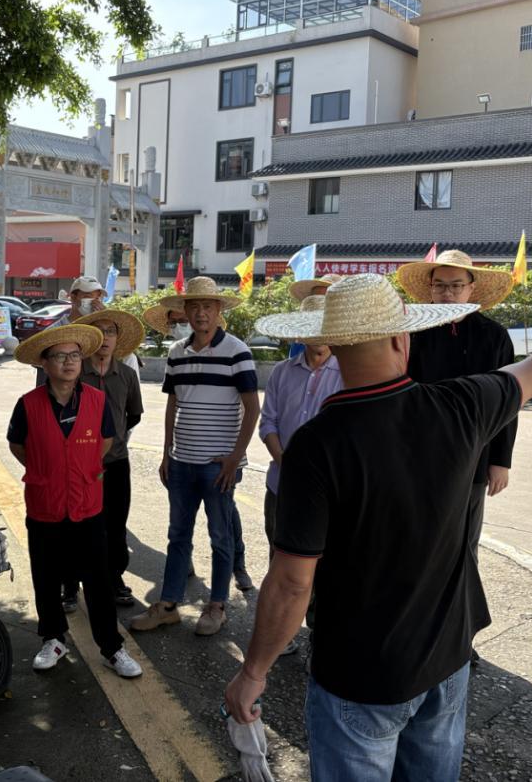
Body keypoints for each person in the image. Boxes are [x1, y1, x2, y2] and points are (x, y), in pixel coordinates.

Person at [223, 274, 532, 781]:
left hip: (360, 675)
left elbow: (293, 583)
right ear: (401, 340)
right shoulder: (461, 405)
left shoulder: (314, 447)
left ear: (334, 344)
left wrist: (253, 672)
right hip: (446, 662)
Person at [8, 324, 143, 679]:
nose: (68, 363)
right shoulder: (28, 404)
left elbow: (105, 440)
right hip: (45, 503)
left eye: (74, 356)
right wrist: (47, 468)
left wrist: (79, 467)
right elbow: (17, 445)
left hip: (87, 503)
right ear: (45, 363)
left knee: (98, 579)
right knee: (46, 575)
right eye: (59, 356)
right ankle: (53, 639)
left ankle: (111, 647)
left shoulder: (96, 400)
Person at [130, 277, 259, 638]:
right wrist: (166, 452)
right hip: (182, 462)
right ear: (185, 311)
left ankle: (217, 606)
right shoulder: (176, 352)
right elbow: (173, 404)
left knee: (220, 536)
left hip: (219, 466)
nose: (201, 313)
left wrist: (236, 457)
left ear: (218, 311)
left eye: (208, 306)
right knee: (178, 535)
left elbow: (252, 408)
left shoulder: (237, 351)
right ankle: (168, 606)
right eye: (195, 307)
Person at [398, 250, 518, 561]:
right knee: (417, 534)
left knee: (465, 539)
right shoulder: (412, 333)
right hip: (419, 449)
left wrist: (500, 460)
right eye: (439, 285)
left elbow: (508, 400)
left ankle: (465, 591)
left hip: (475, 449)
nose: (447, 293)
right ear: (430, 288)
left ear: (471, 288)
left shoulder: (494, 336)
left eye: (456, 285)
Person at [254, 293, 343, 653]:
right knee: (281, 558)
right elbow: (268, 423)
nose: (317, 333)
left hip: (330, 491)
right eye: (310, 326)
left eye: (323, 326)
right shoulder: (281, 372)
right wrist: (287, 465)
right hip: (282, 485)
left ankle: (321, 634)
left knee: (325, 565)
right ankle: (283, 634)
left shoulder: (347, 373)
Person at [71, 309, 145, 607]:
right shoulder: (75, 372)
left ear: (118, 339)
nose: (105, 338)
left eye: (110, 331)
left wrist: (114, 437)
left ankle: (114, 579)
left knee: (115, 525)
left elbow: (134, 414)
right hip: (78, 463)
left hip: (115, 462)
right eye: (99, 331)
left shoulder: (127, 375)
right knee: (76, 522)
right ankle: (70, 582)